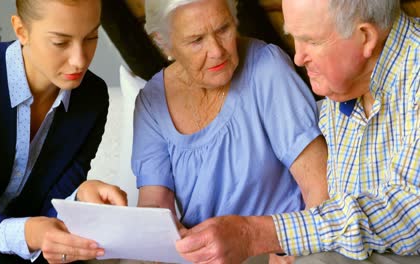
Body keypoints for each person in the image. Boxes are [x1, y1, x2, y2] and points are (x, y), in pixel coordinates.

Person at [174, 0, 420, 263]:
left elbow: (407, 214)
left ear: (365, 37)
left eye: (311, 41)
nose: (298, 57)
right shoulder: (345, 81)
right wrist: (291, 247)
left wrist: (258, 234)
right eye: (295, 38)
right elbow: (336, 204)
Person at [132, 0, 328, 262]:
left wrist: (295, 249)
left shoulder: (267, 68)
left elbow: (320, 187)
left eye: (223, 29)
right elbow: (155, 208)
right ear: (164, 43)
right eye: (196, 40)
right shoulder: (151, 102)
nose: (216, 51)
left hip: (276, 248)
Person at [0, 0, 128, 263]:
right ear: (21, 30)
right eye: (60, 42)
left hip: (28, 245)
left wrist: (80, 196)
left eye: (91, 37)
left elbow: (54, 205)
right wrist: (29, 232)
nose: (80, 60)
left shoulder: (93, 97)